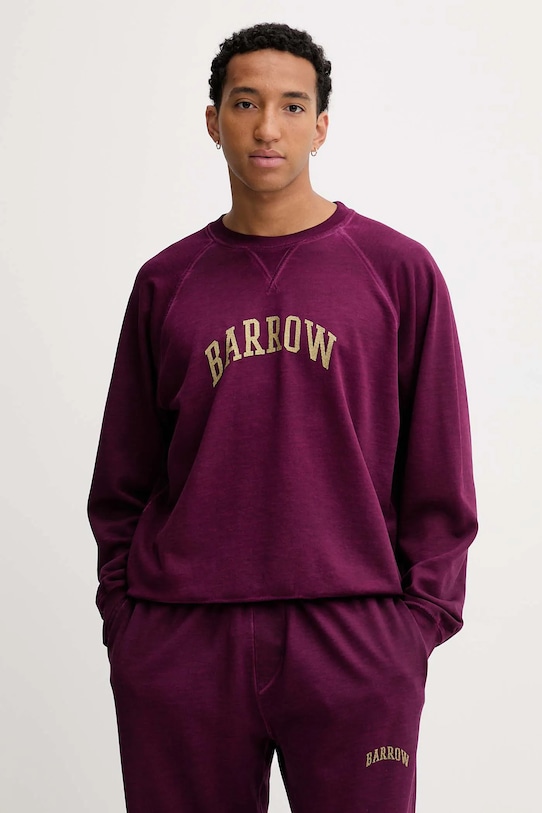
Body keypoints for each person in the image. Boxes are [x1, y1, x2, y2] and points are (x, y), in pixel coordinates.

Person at [88, 21, 477, 813]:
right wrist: (129, 622)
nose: (269, 126)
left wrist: (411, 629)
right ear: (213, 120)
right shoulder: (167, 282)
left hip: (354, 637)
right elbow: (123, 477)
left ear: (321, 126)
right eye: (246, 103)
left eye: (293, 106)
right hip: (182, 640)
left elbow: (441, 471)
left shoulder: (398, 271)